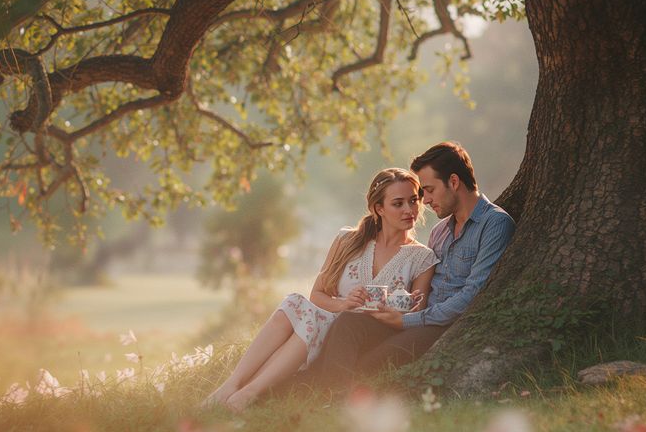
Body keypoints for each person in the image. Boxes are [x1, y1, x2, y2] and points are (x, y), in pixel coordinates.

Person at [203, 168, 438, 411]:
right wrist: (344, 303)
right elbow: (318, 294)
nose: (410, 210)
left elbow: (416, 313)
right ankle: (231, 387)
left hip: (366, 335)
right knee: (294, 303)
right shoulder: (348, 240)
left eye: (413, 201)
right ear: (379, 209)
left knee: (312, 321)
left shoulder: (421, 257)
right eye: (398, 204)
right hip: (331, 318)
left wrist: (389, 309)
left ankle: (248, 393)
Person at [297, 142, 516, 390]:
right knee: (348, 322)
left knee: (367, 363)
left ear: (453, 182)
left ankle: (318, 394)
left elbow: (471, 295)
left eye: (429, 191)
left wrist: (408, 322)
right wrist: (400, 305)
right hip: (412, 318)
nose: (426, 201)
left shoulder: (495, 224)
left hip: (438, 326)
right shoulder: (440, 231)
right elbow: (422, 288)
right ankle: (298, 387)